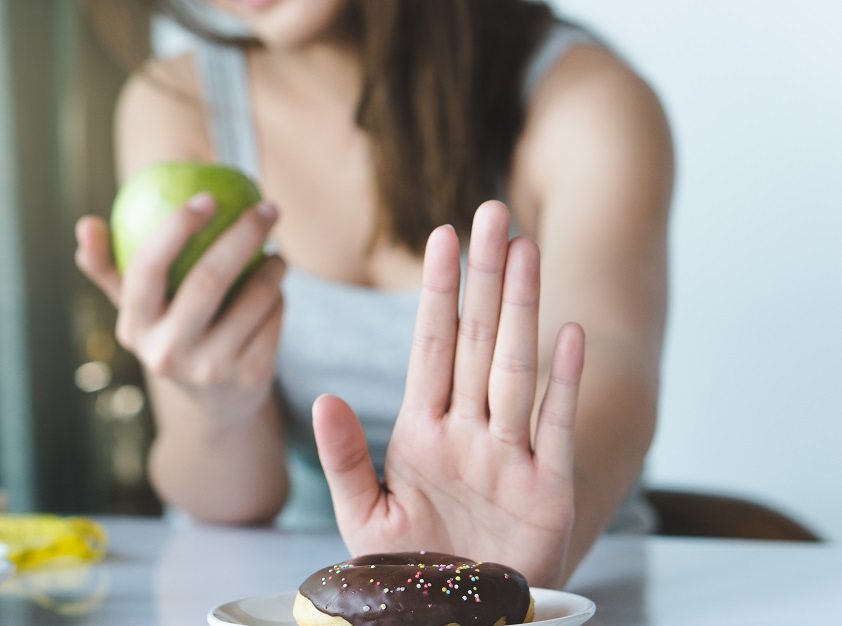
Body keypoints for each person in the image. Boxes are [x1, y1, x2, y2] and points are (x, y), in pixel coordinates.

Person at [76, 0, 672, 588]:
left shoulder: (585, 97)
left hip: (570, 584)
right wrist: (213, 405)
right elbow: (235, 506)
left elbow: (612, 363)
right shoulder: (178, 104)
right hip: (302, 598)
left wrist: (509, 556)